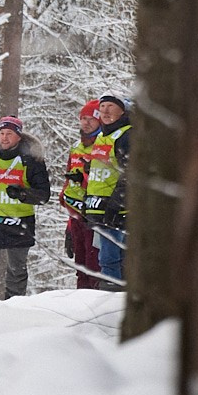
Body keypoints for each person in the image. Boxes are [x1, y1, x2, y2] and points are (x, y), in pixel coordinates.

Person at [0, 114, 49, 300]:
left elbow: (44, 195)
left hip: (19, 223)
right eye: (1, 133)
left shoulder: (32, 160)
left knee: (16, 270)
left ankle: (14, 307)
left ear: (19, 137)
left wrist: (22, 194)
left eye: (9, 134)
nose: (4, 137)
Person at [62, 96, 131, 291]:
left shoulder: (126, 136)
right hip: (94, 208)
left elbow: (131, 174)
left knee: (110, 259)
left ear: (123, 112)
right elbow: (104, 171)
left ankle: (112, 302)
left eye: (111, 107)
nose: (106, 111)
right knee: (101, 260)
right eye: (102, 107)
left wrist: (116, 204)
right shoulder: (102, 137)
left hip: (115, 209)